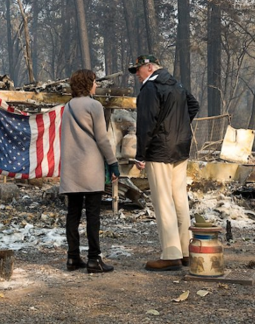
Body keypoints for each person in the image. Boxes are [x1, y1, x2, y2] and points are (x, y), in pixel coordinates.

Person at [129, 55, 199, 271]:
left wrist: (140, 154)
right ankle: (187, 250)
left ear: (149, 67)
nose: (137, 76)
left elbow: (146, 124)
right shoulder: (176, 84)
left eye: (138, 70)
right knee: (179, 198)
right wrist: (179, 128)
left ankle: (170, 254)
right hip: (180, 147)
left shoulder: (150, 88)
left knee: (162, 200)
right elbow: (194, 105)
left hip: (159, 150)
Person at [60, 69, 120, 273]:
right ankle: (94, 259)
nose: (96, 86)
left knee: (73, 215)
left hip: (70, 169)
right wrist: (112, 163)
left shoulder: (67, 107)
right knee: (93, 215)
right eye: (94, 82)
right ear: (87, 84)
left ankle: (72, 258)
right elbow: (102, 139)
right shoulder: (94, 106)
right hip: (90, 167)